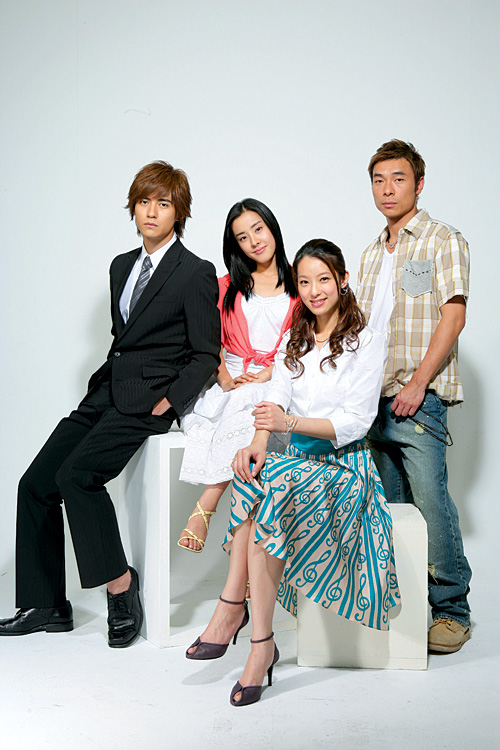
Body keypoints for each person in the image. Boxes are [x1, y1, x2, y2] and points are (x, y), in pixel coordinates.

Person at [0, 161, 220, 647]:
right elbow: (124, 339)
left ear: (179, 213)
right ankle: (45, 604)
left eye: (163, 203)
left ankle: (121, 586)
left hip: (147, 402)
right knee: (35, 483)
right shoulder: (121, 266)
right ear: (133, 208)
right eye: (144, 202)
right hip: (105, 391)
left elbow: (206, 354)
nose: (151, 212)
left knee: (77, 477)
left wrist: (170, 401)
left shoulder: (195, 272)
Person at [185, 239, 399, 707]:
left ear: (343, 280)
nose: (314, 290)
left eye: (324, 279)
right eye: (304, 282)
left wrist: (289, 425)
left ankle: (238, 617)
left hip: (345, 466)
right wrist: (257, 444)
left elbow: (356, 422)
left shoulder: (366, 340)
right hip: (296, 462)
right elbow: (275, 397)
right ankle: (255, 636)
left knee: (272, 486)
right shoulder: (294, 338)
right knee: (253, 473)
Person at [356, 139, 472, 653]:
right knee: (392, 510)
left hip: (417, 400)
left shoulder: (442, 239)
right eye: (379, 179)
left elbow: (454, 316)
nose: (388, 189)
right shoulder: (368, 254)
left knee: (431, 504)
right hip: (372, 404)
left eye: (398, 178)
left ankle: (452, 612)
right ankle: (404, 613)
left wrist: (419, 382)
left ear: (419, 184)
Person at [177, 199, 296, 552]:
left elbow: (307, 342)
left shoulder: (300, 281)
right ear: (235, 245)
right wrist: (225, 378)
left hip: (280, 377)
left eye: (258, 229)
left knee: (257, 410)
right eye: (243, 237)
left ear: (272, 227)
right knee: (244, 408)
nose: (254, 241)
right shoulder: (225, 285)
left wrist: (269, 373)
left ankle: (208, 505)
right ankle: (244, 544)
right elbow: (205, 338)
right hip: (231, 379)